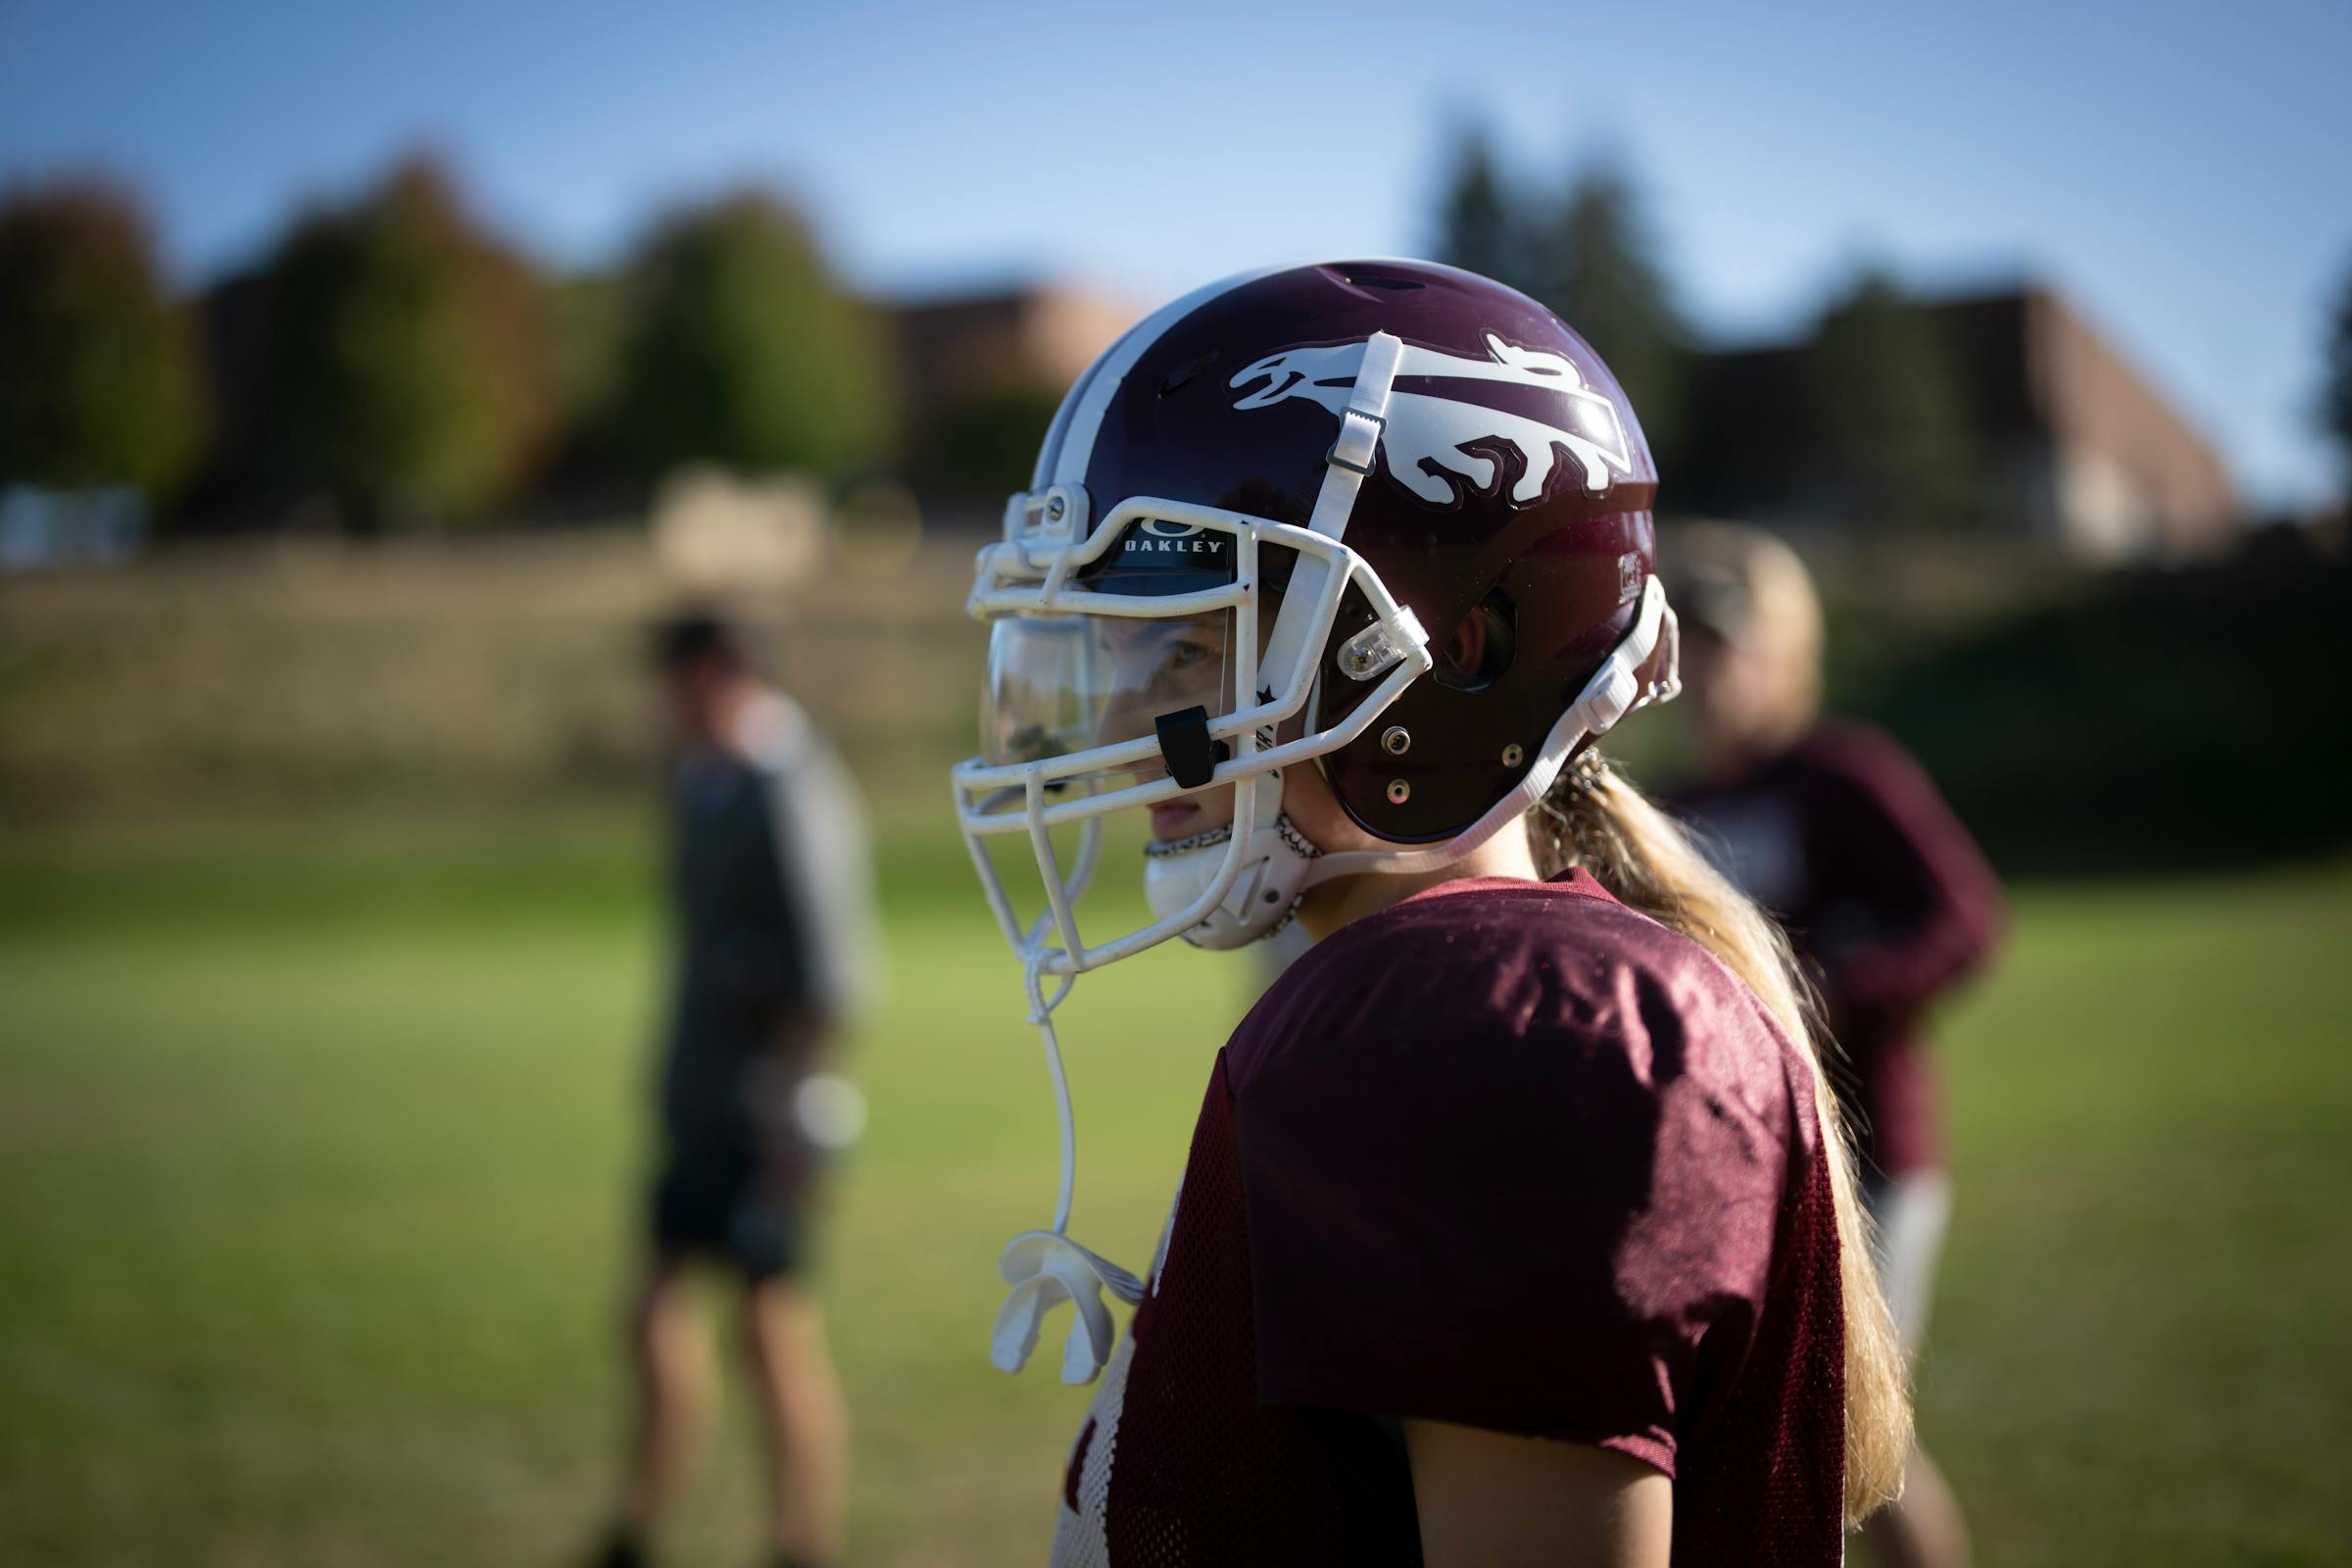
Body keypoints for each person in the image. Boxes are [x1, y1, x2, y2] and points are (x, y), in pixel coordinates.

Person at [949, 261, 1911, 1565]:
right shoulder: (1420, 999)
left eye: (1188, 644)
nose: (1123, 730)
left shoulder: (1481, 1026)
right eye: (1121, 652)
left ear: (1460, 655)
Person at [1661, 524, 2002, 1568]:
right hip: (1733, 1165)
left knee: (1852, 1434)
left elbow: (1964, 921)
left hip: (1869, 1159)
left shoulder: (1842, 775)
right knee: (1771, 1434)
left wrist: (1826, 994)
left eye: (1732, 641)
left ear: (1785, 645)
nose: (1712, 670)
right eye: (1694, 644)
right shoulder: (1674, 810)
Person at [597, 613, 877, 1568]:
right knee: (651, 1314)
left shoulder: (790, 785)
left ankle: (803, 1543)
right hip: (698, 1103)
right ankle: (636, 1525)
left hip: (765, 1113)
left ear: (716, 672)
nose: (663, 707)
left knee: (769, 1332)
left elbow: (831, 978)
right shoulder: (698, 782)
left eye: (674, 683)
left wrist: (795, 1115)